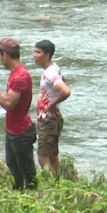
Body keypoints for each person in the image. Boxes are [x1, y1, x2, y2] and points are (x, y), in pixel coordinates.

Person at [0, 38, 37, 190]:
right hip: (13, 130)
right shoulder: (15, 73)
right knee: (13, 167)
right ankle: (18, 195)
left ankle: (33, 198)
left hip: (21, 132)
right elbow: (10, 98)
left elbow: (9, 105)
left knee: (27, 171)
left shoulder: (20, 77)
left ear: (5, 55)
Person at [33, 40, 71, 173]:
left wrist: (52, 105)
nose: (35, 55)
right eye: (35, 51)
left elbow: (65, 91)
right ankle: (57, 183)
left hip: (49, 120)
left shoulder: (50, 72)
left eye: (38, 52)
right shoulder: (54, 68)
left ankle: (51, 185)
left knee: (42, 157)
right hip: (52, 119)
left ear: (47, 55)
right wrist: (54, 100)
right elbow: (63, 80)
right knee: (52, 155)